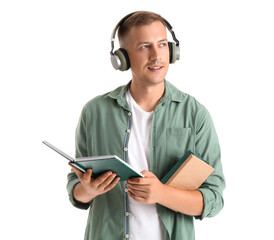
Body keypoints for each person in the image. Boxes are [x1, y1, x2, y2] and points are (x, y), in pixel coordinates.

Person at [67, 11, 225, 240]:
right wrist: (86, 191)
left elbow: (214, 199)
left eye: (162, 44)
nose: (156, 55)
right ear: (122, 58)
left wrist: (162, 194)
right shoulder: (94, 112)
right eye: (144, 47)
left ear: (172, 51)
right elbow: (75, 187)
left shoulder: (195, 114)